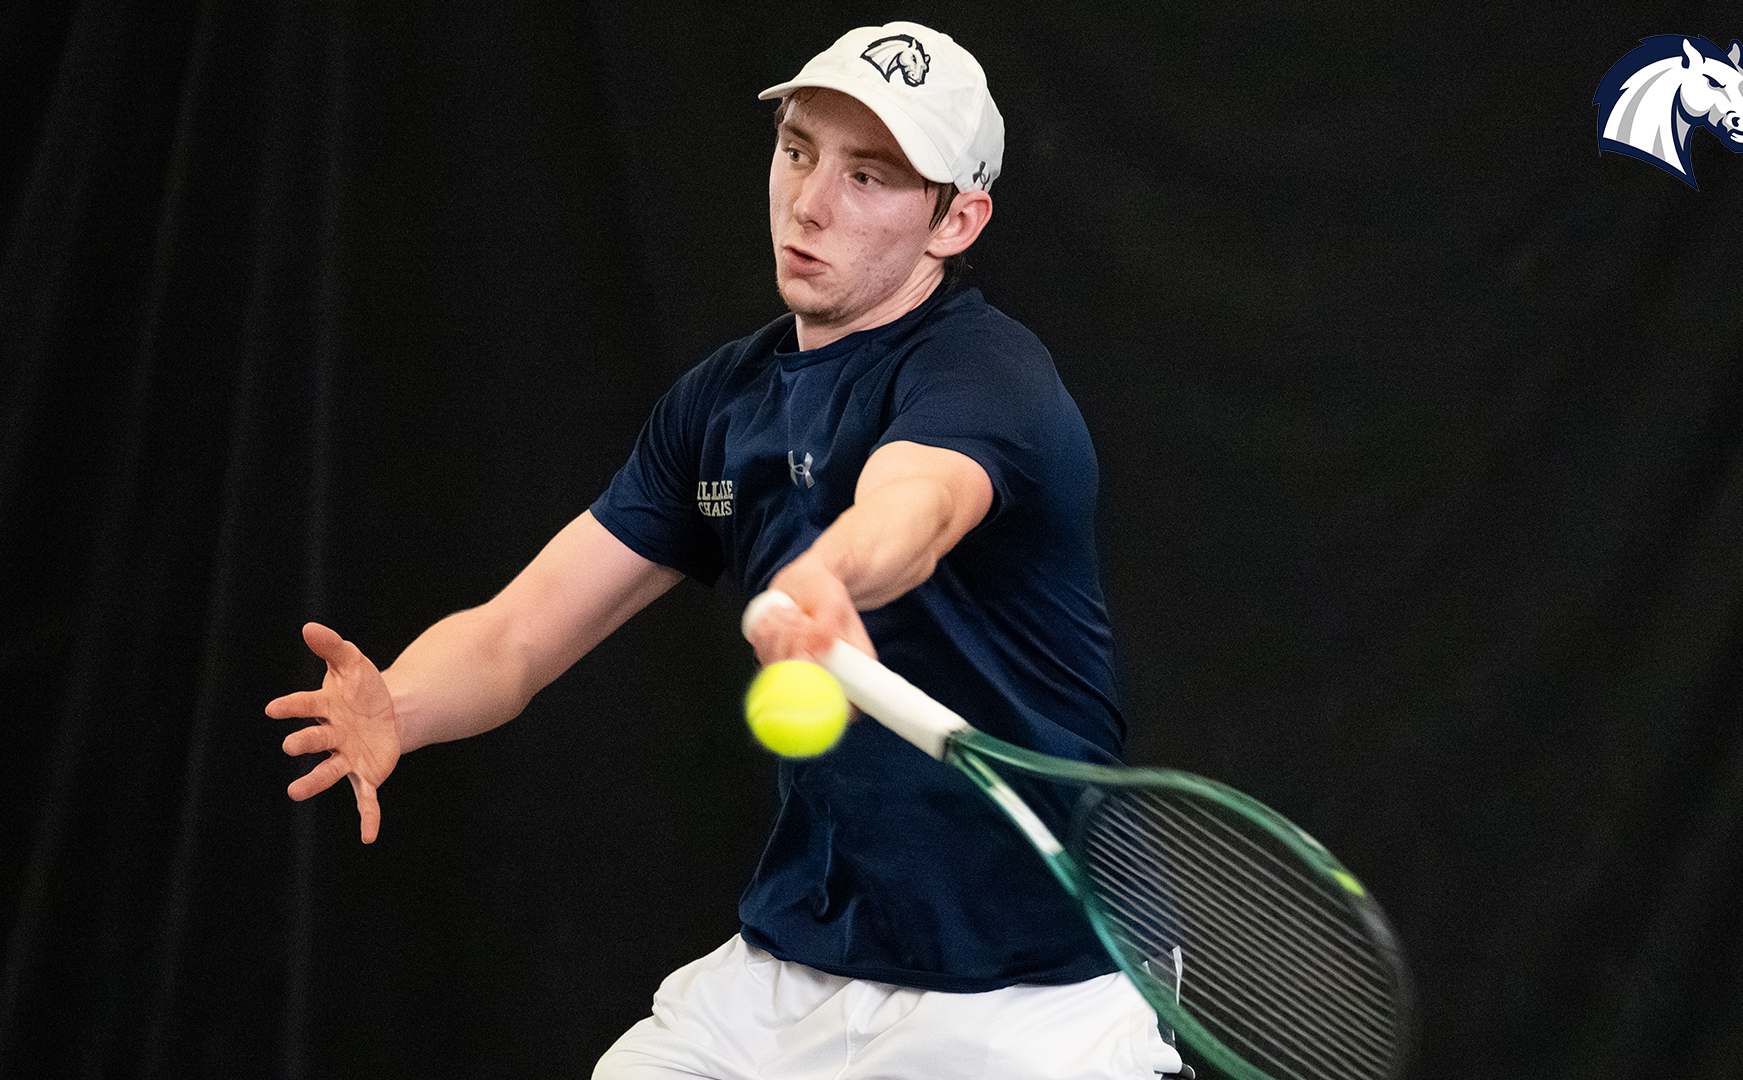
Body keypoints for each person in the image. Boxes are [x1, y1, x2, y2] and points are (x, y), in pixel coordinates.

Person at [267, 22, 1187, 1079]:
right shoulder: (722, 405)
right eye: (798, 150)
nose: (809, 201)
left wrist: (833, 573)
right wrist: (403, 705)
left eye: (871, 176)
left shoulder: (989, 376)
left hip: (1035, 989)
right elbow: (519, 635)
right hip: (804, 963)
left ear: (955, 220)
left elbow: (921, 500)